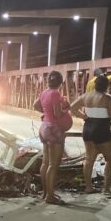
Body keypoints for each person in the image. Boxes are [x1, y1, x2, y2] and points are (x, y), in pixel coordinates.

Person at [71, 75, 111, 198]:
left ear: (95, 85)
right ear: (106, 86)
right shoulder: (107, 98)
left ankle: (88, 187)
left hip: (88, 129)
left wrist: (83, 116)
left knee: (89, 159)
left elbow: (72, 108)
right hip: (102, 129)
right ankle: (106, 189)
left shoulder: (86, 96)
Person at [36, 71, 72, 205]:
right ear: (60, 82)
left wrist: (45, 113)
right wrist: (67, 108)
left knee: (45, 163)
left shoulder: (44, 92)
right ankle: (50, 196)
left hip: (44, 127)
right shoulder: (56, 93)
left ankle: (45, 193)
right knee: (53, 164)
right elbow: (58, 114)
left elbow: (36, 105)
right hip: (54, 129)